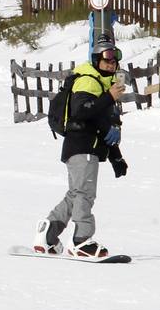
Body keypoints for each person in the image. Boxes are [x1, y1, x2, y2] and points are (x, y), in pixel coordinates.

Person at [34, 35, 128, 258]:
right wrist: (108, 96)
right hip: (82, 146)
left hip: (82, 148)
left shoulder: (101, 84)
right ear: (96, 60)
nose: (111, 64)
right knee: (84, 194)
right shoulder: (88, 80)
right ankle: (81, 240)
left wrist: (116, 157)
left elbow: (102, 125)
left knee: (75, 194)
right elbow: (81, 110)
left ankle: (48, 235)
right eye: (106, 60)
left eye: (114, 61)